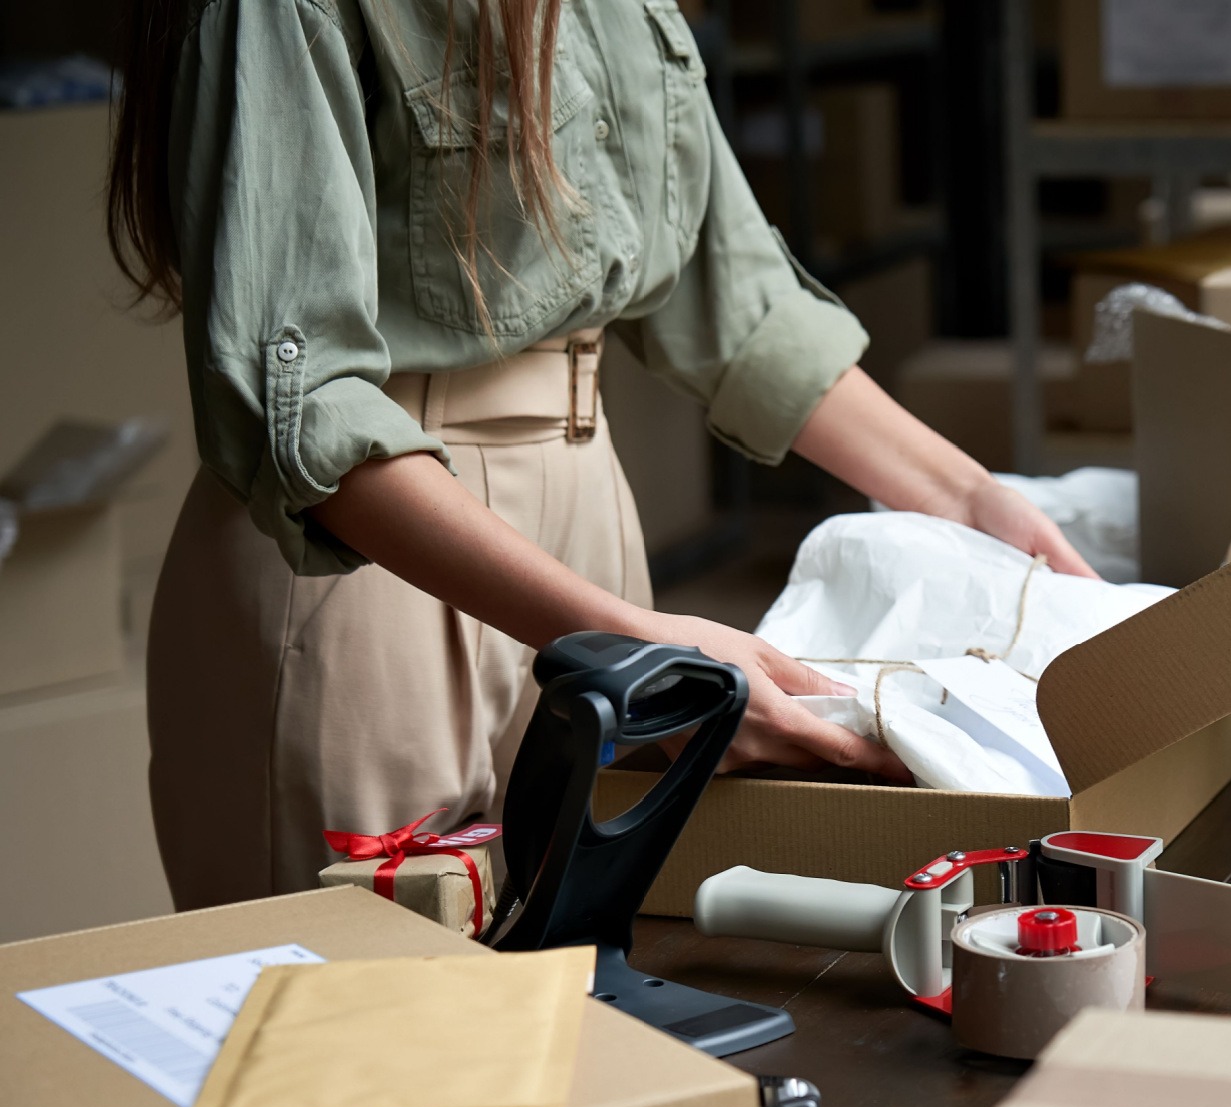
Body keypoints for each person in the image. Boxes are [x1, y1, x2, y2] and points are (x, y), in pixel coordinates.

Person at [107, 0, 1096, 912]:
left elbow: (737, 303)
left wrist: (972, 498)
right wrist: (634, 646)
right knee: (372, 1028)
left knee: (587, 993)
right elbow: (309, 403)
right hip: (372, 553)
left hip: (586, 516)